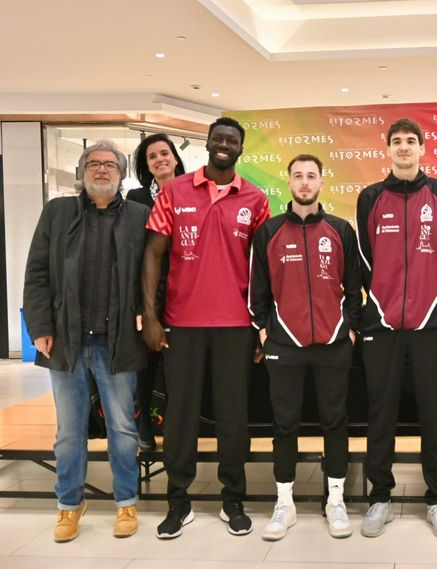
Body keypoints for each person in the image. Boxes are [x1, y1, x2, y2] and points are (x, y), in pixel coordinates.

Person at [141, 117, 270, 539]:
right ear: (207, 144)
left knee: (234, 416)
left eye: (232, 141)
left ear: (240, 149)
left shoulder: (256, 198)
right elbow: (153, 256)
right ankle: (178, 502)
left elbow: (262, 269)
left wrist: (259, 326)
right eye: (218, 139)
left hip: (236, 326)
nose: (223, 145)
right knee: (179, 417)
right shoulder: (175, 192)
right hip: (183, 325)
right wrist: (152, 316)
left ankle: (233, 499)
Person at [23, 141, 149, 542]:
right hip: (67, 342)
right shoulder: (57, 212)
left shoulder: (138, 217)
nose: (101, 170)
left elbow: (154, 276)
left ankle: (126, 501)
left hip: (119, 342)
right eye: (93, 163)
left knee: (123, 431)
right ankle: (68, 505)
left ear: (121, 173)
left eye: (110, 164)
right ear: (82, 171)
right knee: (69, 432)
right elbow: (37, 273)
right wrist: (40, 325)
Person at [356, 118, 437, 539]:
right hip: (381, 323)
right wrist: (379, 304)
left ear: (422, 148)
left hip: (432, 323)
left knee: (434, 413)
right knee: (380, 413)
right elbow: (364, 259)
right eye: (396, 142)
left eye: (410, 141)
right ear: (387, 149)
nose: (403, 148)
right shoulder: (370, 196)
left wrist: (435, 303)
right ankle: (379, 496)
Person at [249, 154, 361, 540]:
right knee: (285, 423)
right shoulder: (269, 232)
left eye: (311, 176)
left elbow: (355, 289)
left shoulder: (341, 229)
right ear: (289, 182)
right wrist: (265, 332)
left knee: (335, 421)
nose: (305, 182)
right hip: (285, 344)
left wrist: (348, 330)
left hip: (333, 343)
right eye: (298, 175)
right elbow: (257, 292)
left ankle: (335, 501)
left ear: (321, 183)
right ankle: (285, 503)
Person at [127, 133, 186, 450]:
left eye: (165, 153)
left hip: (186, 288)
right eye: (153, 156)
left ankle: (179, 427)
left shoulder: (194, 191)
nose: (160, 159)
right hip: (149, 289)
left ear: (175, 157)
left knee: (179, 364)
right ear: (146, 166)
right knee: (146, 361)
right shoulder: (136, 199)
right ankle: (144, 424)